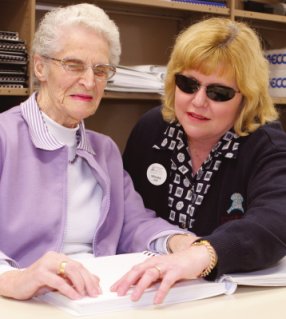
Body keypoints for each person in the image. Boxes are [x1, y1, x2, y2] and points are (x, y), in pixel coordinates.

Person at [0, 3, 197, 301]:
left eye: (101, 70)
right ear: (40, 66)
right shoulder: (4, 137)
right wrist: (12, 279)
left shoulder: (104, 149)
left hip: (98, 298)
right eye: (74, 65)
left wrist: (182, 243)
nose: (89, 82)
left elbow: (135, 222)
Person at [113, 17, 286, 304]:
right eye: (188, 84)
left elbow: (275, 221)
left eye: (218, 93)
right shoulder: (150, 129)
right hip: (149, 293)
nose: (198, 101)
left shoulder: (266, 144)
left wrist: (203, 254)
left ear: (247, 98)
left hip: (231, 300)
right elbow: (127, 214)